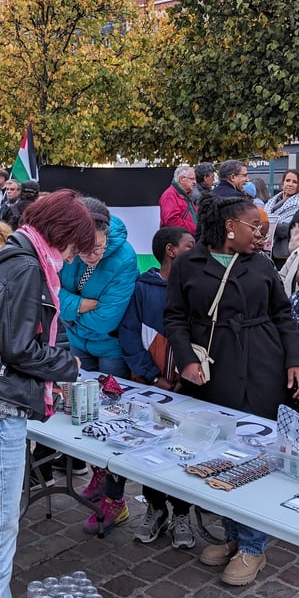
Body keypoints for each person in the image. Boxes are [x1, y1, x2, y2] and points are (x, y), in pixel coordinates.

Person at [0, 189, 96, 598]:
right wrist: (66, 365)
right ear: (62, 234)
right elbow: (17, 350)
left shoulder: (11, 256)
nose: (70, 258)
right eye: (72, 247)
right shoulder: (26, 268)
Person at [164, 196, 299, 586]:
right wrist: (185, 360)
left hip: (262, 364)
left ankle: (253, 547)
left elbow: (283, 314)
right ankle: (232, 536)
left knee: (257, 455)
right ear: (230, 226)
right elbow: (174, 316)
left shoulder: (260, 263)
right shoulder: (187, 264)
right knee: (222, 453)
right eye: (253, 226)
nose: (261, 233)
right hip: (213, 368)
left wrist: (295, 359)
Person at [58, 197, 138, 533]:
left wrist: (72, 313)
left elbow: (107, 319)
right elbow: (53, 292)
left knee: (114, 422)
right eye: (86, 250)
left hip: (109, 349)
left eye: (99, 248)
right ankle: (98, 475)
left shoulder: (124, 257)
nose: (94, 256)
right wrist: (81, 306)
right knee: (83, 417)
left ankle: (116, 499)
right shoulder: (69, 245)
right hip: (78, 343)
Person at [119, 226, 198, 549]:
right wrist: (153, 376)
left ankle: (181, 512)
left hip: (188, 387)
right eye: (189, 245)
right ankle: (155, 507)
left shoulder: (197, 287)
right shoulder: (142, 288)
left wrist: (187, 373)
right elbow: (128, 334)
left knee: (185, 447)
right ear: (170, 251)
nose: (195, 251)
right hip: (150, 386)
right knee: (149, 446)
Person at [266, 169, 299, 266]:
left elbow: (288, 228)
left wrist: (268, 225)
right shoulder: (271, 201)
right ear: (282, 183)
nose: (290, 184)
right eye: (287, 180)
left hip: (282, 254)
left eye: (295, 182)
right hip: (266, 250)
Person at [158, 165, 198, 232]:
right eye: (192, 179)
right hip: (177, 239)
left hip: (184, 238)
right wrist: (196, 229)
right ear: (182, 179)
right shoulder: (170, 195)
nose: (195, 182)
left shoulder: (185, 194)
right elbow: (171, 222)